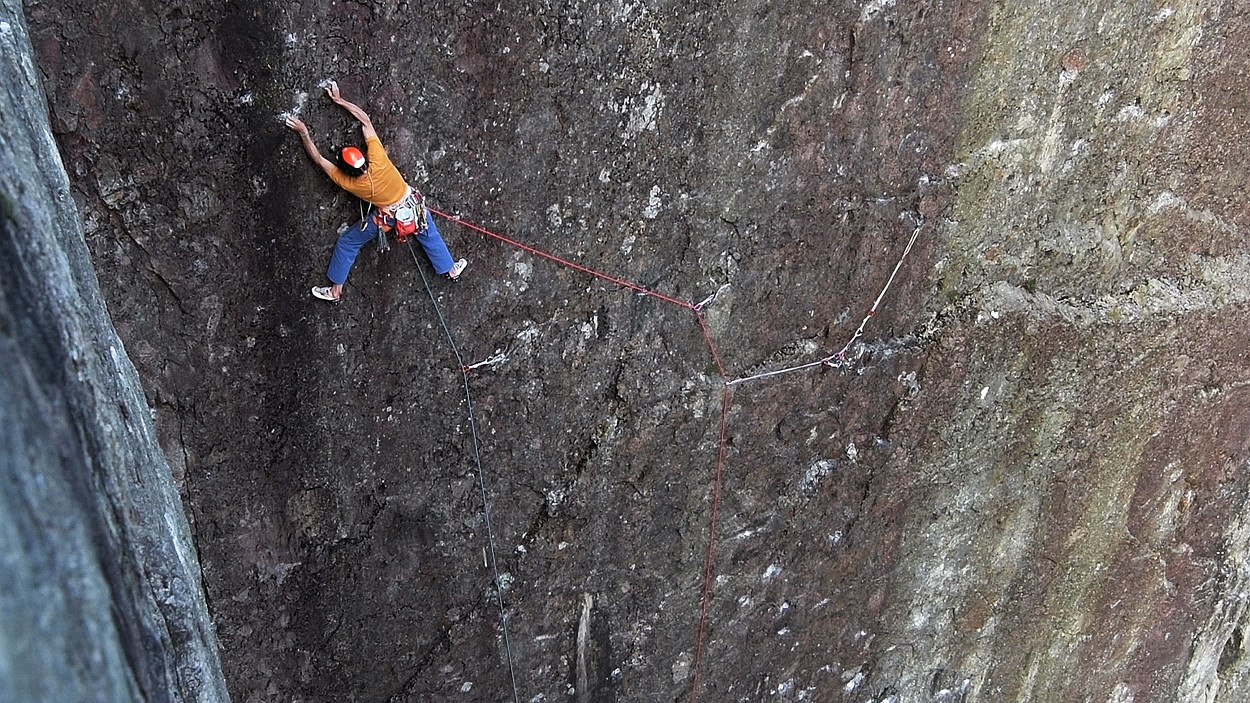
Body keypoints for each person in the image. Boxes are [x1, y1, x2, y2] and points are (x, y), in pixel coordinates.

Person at [285, 80, 467, 302]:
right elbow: (365, 120)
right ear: (364, 159)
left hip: (388, 219)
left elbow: (319, 159)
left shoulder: (349, 183)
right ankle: (450, 269)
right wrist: (340, 100)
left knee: (348, 242)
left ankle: (335, 291)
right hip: (413, 204)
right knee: (428, 231)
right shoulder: (378, 159)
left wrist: (304, 132)